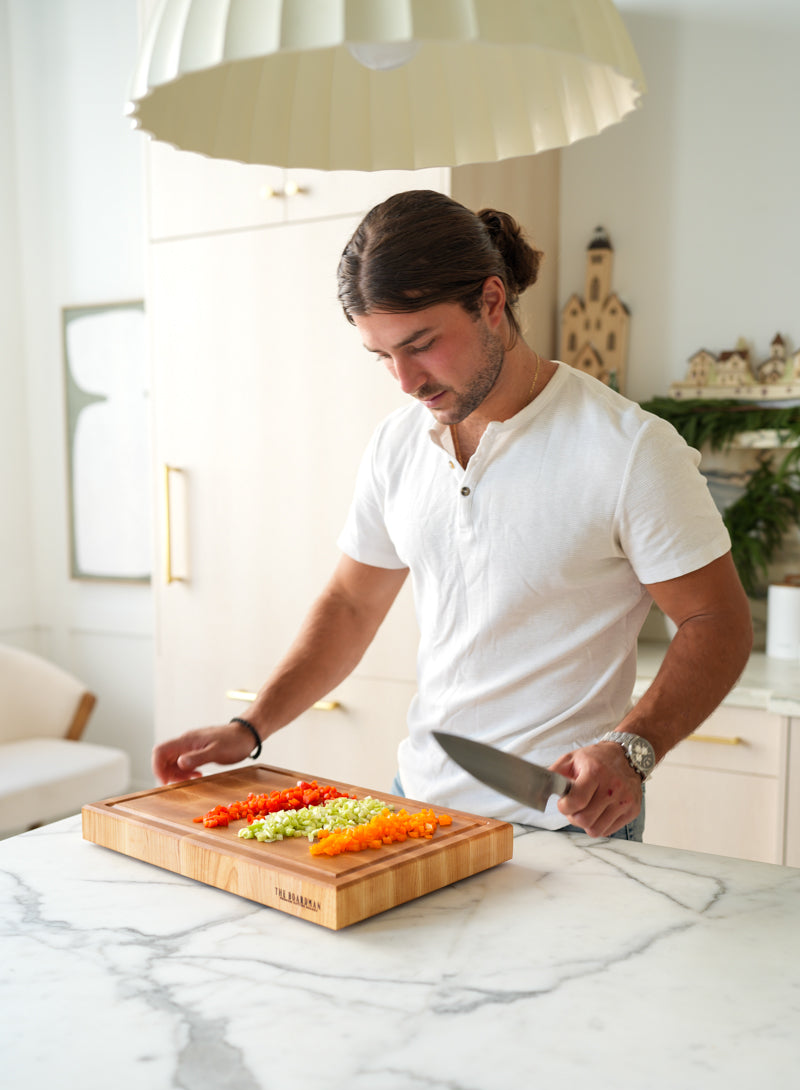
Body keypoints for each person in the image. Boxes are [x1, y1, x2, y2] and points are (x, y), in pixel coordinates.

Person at [153, 190, 753, 840]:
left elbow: (716, 621)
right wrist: (252, 726)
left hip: (565, 822)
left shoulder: (628, 450)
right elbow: (352, 604)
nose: (405, 381)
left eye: (421, 345)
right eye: (382, 356)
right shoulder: (397, 443)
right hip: (419, 805)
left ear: (492, 302)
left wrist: (634, 748)